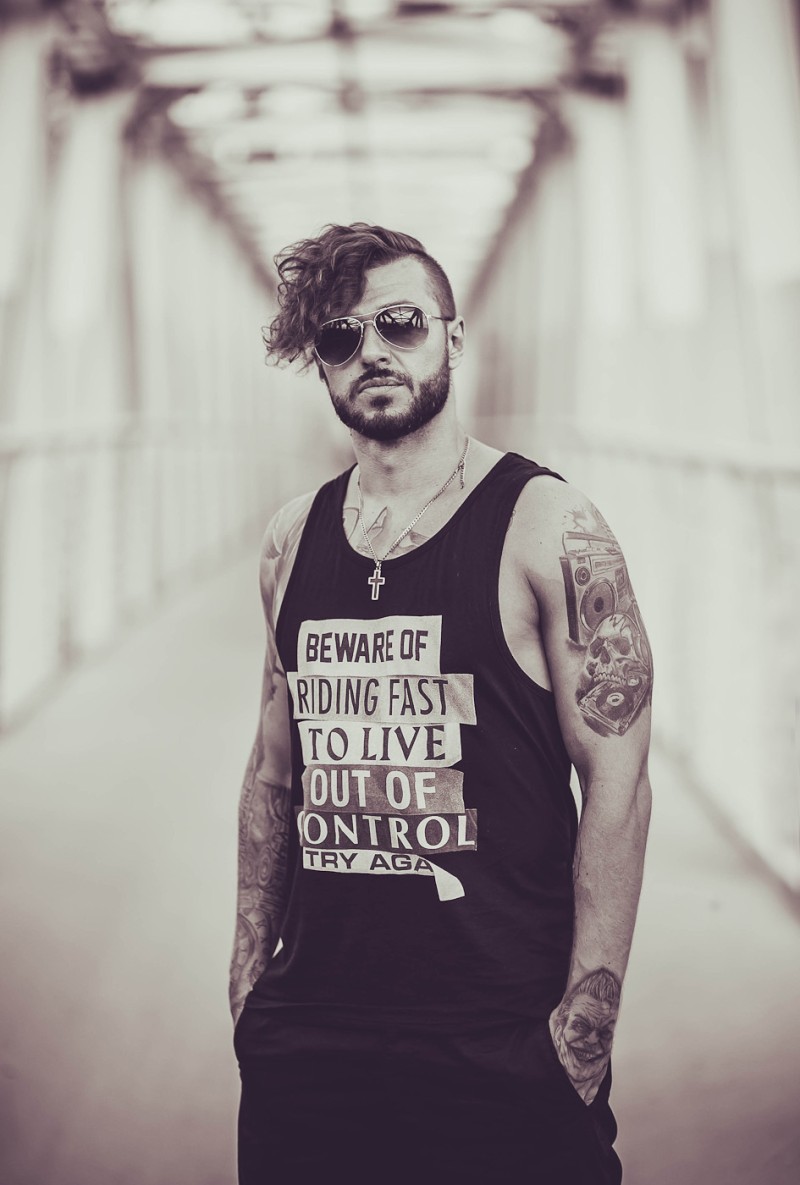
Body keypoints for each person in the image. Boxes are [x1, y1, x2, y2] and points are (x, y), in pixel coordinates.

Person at [229, 223, 653, 1184]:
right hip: (310, 1035)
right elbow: (273, 773)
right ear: (320, 364)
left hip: (500, 1034)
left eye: (401, 323)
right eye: (340, 336)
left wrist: (581, 1033)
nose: (372, 351)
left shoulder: (549, 525)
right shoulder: (292, 540)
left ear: (453, 338)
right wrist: (250, 981)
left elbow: (618, 782)